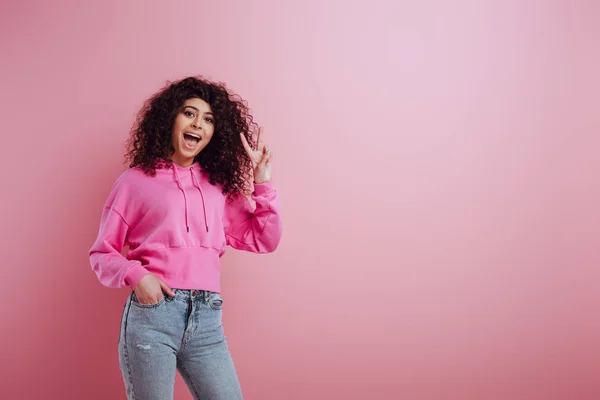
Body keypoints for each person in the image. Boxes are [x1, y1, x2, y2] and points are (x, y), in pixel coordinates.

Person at [89, 76, 283, 400]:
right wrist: (138, 276)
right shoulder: (135, 181)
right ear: (171, 119)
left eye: (208, 119)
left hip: (207, 321)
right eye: (189, 113)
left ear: (214, 133)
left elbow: (265, 239)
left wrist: (262, 183)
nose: (198, 124)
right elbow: (102, 254)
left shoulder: (218, 187)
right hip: (153, 316)